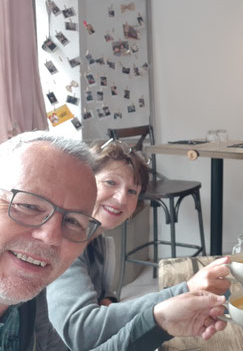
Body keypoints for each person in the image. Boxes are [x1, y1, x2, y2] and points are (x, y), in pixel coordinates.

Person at [47, 140, 231, 350]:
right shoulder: (62, 242)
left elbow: (104, 302)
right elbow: (81, 331)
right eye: (111, 182)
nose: (121, 198)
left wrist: (108, 304)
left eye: (132, 191)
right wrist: (183, 291)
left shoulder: (98, 240)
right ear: (85, 181)